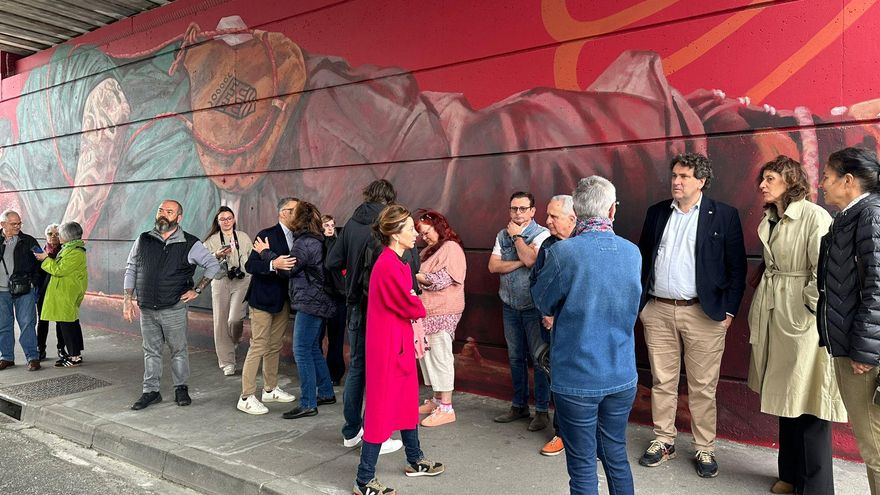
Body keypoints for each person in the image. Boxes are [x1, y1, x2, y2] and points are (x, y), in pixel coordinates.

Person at [637, 153, 747, 478]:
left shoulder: (723, 216)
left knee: (703, 386)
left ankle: (704, 447)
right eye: (674, 175)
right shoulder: (657, 213)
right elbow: (643, 259)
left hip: (704, 313)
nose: (676, 181)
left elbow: (737, 268)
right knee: (662, 381)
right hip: (658, 310)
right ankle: (664, 440)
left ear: (701, 181)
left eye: (684, 176)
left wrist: (727, 313)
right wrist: (643, 306)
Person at [532, 176, 641, 495]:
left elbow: (542, 300)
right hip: (621, 371)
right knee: (616, 456)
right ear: (612, 209)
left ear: (577, 211)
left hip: (576, 376)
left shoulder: (564, 253)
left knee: (581, 467)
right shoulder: (632, 252)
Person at [747, 156, 847, 494]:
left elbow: (824, 270)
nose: (762, 184)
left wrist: (808, 309)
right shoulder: (773, 217)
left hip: (801, 320)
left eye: (770, 177)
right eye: (763, 178)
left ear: (790, 181)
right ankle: (790, 475)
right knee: (785, 398)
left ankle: (815, 487)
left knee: (808, 400)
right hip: (777, 312)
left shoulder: (813, 216)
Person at [354, 205, 444, 495]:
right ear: (394, 234)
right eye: (408, 228)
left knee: (406, 405)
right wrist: (416, 300)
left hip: (398, 346)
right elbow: (412, 305)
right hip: (388, 349)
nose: (414, 232)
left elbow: (410, 301)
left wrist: (414, 298)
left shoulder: (399, 262)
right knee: (380, 413)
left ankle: (415, 459)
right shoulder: (390, 264)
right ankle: (364, 480)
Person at [817, 147, 880, 495]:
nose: (822, 184)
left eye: (827, 176)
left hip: (864, 355)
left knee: (875, 449)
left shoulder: (870, 215)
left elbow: (878, 286)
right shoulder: (853, 215)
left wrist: (863, 352)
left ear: (848, 181)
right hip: (855, 346)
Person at [325, 179, 403, 454]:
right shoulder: (387, 225)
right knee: (382, 371)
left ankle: (351, 431)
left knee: (357, 367)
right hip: (382, 307)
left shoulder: (352, 223)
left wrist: (348, 283)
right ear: (390, 199)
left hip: (355, 305)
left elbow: (332, 262)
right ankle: (376, 435)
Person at [123, 200, 221, 410]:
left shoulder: (190, 243)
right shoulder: (143, 240)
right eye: (161, 210)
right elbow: (131, 268)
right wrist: (127, 299)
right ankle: (151, 391)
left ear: (179, 217)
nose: (163, 214)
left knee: (178, 350)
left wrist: (197, 290)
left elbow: (213, 264)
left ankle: (181, 388)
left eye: (169, 211)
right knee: (150, 351)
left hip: (173, 308)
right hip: (147, 308)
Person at [258, 201, 336, 419]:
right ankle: (327, 392)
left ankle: (308, 402)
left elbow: (287, 270)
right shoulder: (318, 239)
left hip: (310, 302)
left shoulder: (304, 242)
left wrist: (266, 254)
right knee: (312, 349)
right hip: (320, 300)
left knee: (301, 350)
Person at [488, 191, 552, 431]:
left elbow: (532, 260)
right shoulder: (501, 234)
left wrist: (517, 239)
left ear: (533, 211)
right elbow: (493, 266)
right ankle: (519, 406)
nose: (517, 213)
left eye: (523, 209)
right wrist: (519, 262)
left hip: (533, 308)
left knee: (540, 359)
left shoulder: (543, 234)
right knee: (515, 358)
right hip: (510, 305)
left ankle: (543, 411)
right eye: (513, 208)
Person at [236, 198, 298, 415]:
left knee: (274, 345)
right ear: (282, 213)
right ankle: (246, 396)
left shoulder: (298, 236)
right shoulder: (267, 234)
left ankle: (270, 389)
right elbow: (250, 265)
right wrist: (273, 264)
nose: (297, 214)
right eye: (293, 211)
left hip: (284, 300)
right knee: (259, 345)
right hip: (262, 299)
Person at [530, 194, 578, 456]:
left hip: (579, 329)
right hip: (551, 328)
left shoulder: (584, 245)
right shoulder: (548, 246)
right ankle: (561, 433)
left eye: (553, 217)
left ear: (573, 219)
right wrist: (546, 312)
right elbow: (536, 284)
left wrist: (561, 314)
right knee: (557, 381)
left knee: (581, 382)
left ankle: (586, 436)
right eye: (547, 215)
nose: (547, 221)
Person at [414, 209, 466, 427]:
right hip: (429, 311)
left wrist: (413, 275)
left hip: (444, 310)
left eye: (427, 232)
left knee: (441, 357)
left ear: (438, 227)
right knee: (429, 356)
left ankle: (447, 407)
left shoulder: (451, 248)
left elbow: (442, 280)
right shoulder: (430, 250)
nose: (424, 237)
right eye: (422, 234)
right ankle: (437, 400)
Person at [203, 206, 253, 376]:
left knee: (234, 318)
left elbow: (252, 257)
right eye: (222, 219)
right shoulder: (211, 240)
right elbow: (202, 261)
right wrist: (216, 254)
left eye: (229, 218)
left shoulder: (244, 237)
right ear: (217, 222)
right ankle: (227, 362)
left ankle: (235, 339)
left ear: (234, 219)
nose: (226, 221)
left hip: (242, 280)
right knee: (221, 321)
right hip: (220, 280)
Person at [34, 222, 88, 368]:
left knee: (68, 325)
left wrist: (45, 259)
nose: (58, 236)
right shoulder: (69, 249)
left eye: (60, 233)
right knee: (70, 324)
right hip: (64, 292)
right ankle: (74, 354)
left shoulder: (75, 252)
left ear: (67, 236)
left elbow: (59, 270)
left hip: (67, 293)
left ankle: (74, 357)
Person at [0, 209, 42, 371]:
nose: (18, 226)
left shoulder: (28, 241)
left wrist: (34, 282)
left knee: (27, 323)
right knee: (3, 325)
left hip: (25, 290)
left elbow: (41, 262)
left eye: (19, 223)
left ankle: (32, 357)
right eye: (13, 224)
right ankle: (7, 357)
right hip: (1, 291)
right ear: (3, 224)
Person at [320, 214, 346, 385]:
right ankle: (322, 372)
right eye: (326, 225)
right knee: (319, 336)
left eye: (331, 225)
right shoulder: (318, 245)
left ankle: (335, 373)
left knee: (336, 337)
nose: (329, 228)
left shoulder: (339, 246)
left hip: (338, 296)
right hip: (323, 297)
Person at [34, 223, 64, 362]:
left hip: (59, 291)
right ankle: (41, 349)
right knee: (43, 320)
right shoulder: (39, 252)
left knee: (61, 321)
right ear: (46, 236)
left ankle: (61, 349)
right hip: (44, 291)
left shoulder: (64, 252)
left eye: (56, 234)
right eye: (50, 234)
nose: (53, 237)